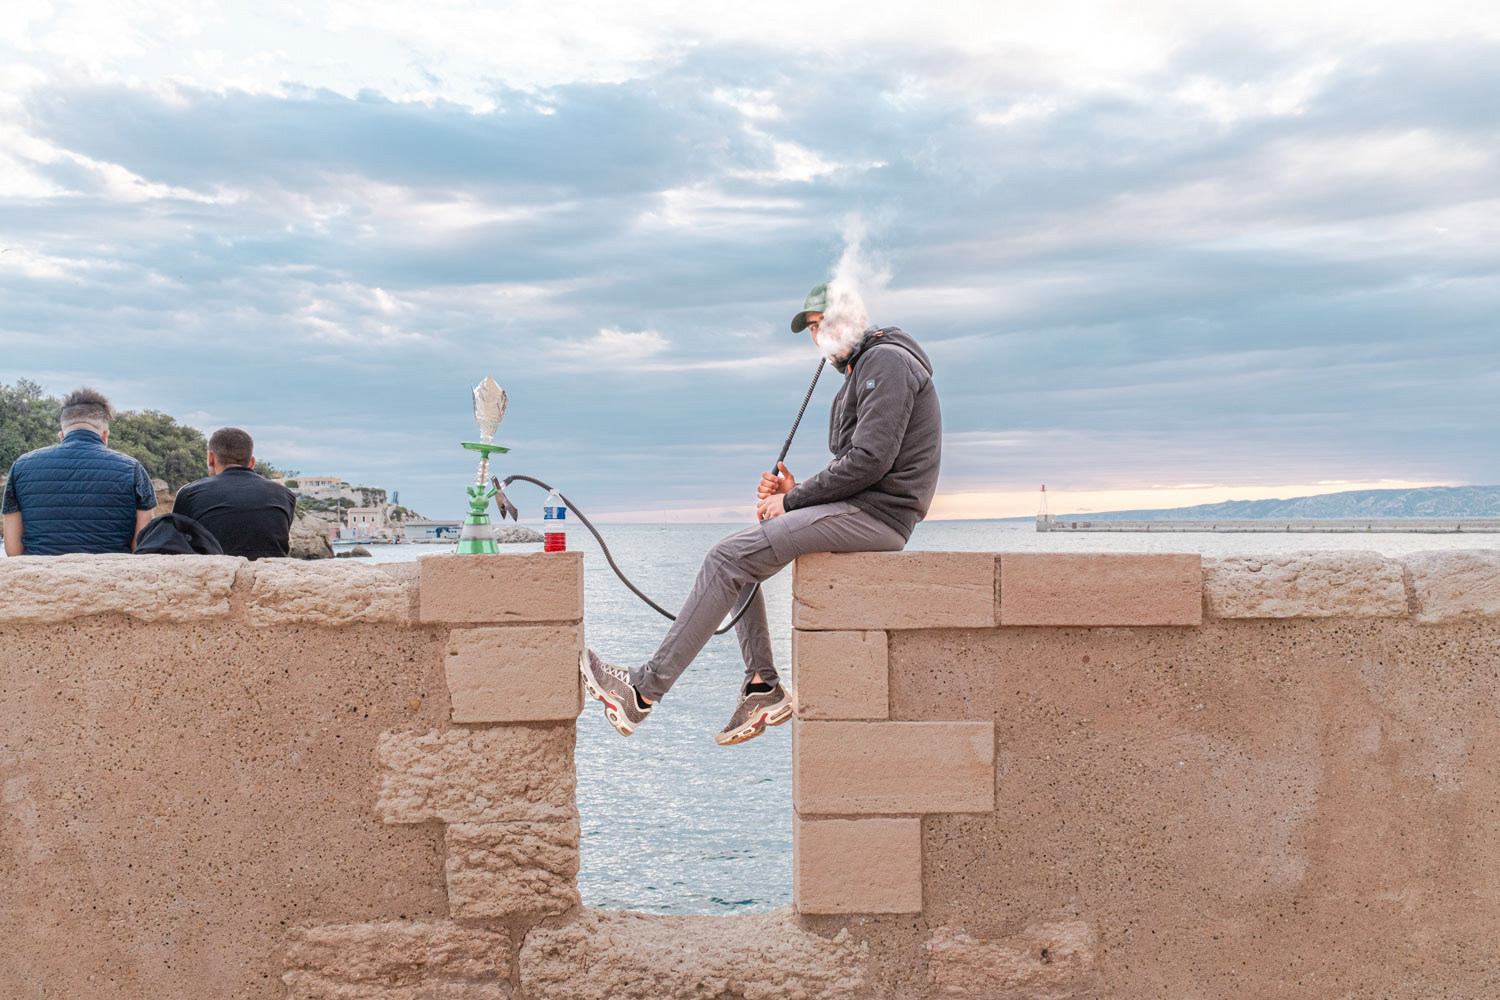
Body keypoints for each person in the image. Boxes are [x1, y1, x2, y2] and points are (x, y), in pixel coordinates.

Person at [581, 280, 942, 745]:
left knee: (725, 559)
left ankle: (641, 693)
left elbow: (870, 461)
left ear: (853, 318)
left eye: (825, 324)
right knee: (742, 558)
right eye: (813, 329)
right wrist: (798, 493)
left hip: (878, 517)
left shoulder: (886, 362)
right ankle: (762, 687)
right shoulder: (866, 366)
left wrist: (790, 501)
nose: (819, 337)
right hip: (864, 508)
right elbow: (859, 463)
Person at [2, 387, 157, 556]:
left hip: (39, 576)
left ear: (61, 436)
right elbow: (141, 546)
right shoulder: (133, 469)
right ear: (105, 436)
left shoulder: (20, 467)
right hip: (110, 574)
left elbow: (13, 551)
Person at [170, 427, 296, 560]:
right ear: (252, 462)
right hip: (270, 574)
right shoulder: (285, 495)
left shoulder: (190, 493)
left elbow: (178, 545)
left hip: (213, 572)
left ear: (210, 458)